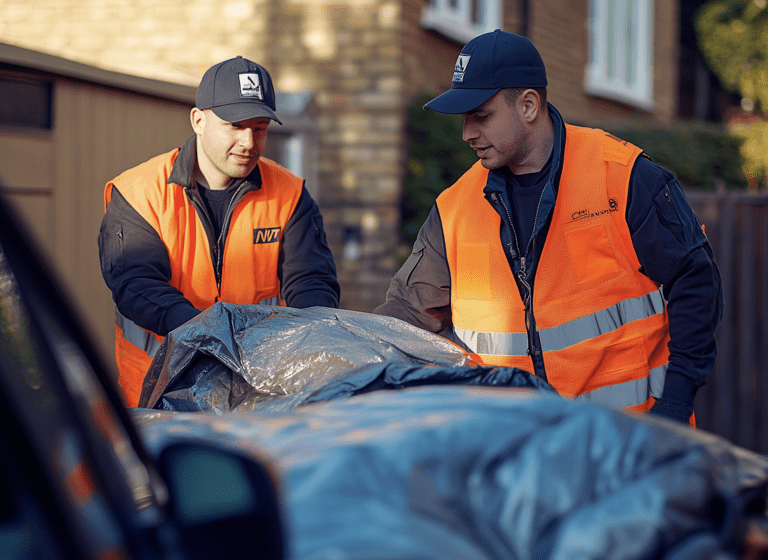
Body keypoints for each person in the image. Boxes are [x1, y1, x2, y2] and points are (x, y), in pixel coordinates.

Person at [374, 30, 723, 424]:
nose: (467, 133)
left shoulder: (622, 177)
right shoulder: (453, 208)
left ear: (527, 106)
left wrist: (676, 403)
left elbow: (696, 283)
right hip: (518, 455)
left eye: (480, 116)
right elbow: (407, 314)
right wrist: (345, 361)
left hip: (628, 447)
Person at [99, 56, 340, 407]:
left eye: (259, 128)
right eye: (235, 125)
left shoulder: (290, 194)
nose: (248, 141)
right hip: (159, 395)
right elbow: (137, 285)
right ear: (199, 120)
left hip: (260, 394)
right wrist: (215, 336)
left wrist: (308, 344)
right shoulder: (139, 193)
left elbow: (312, 283)